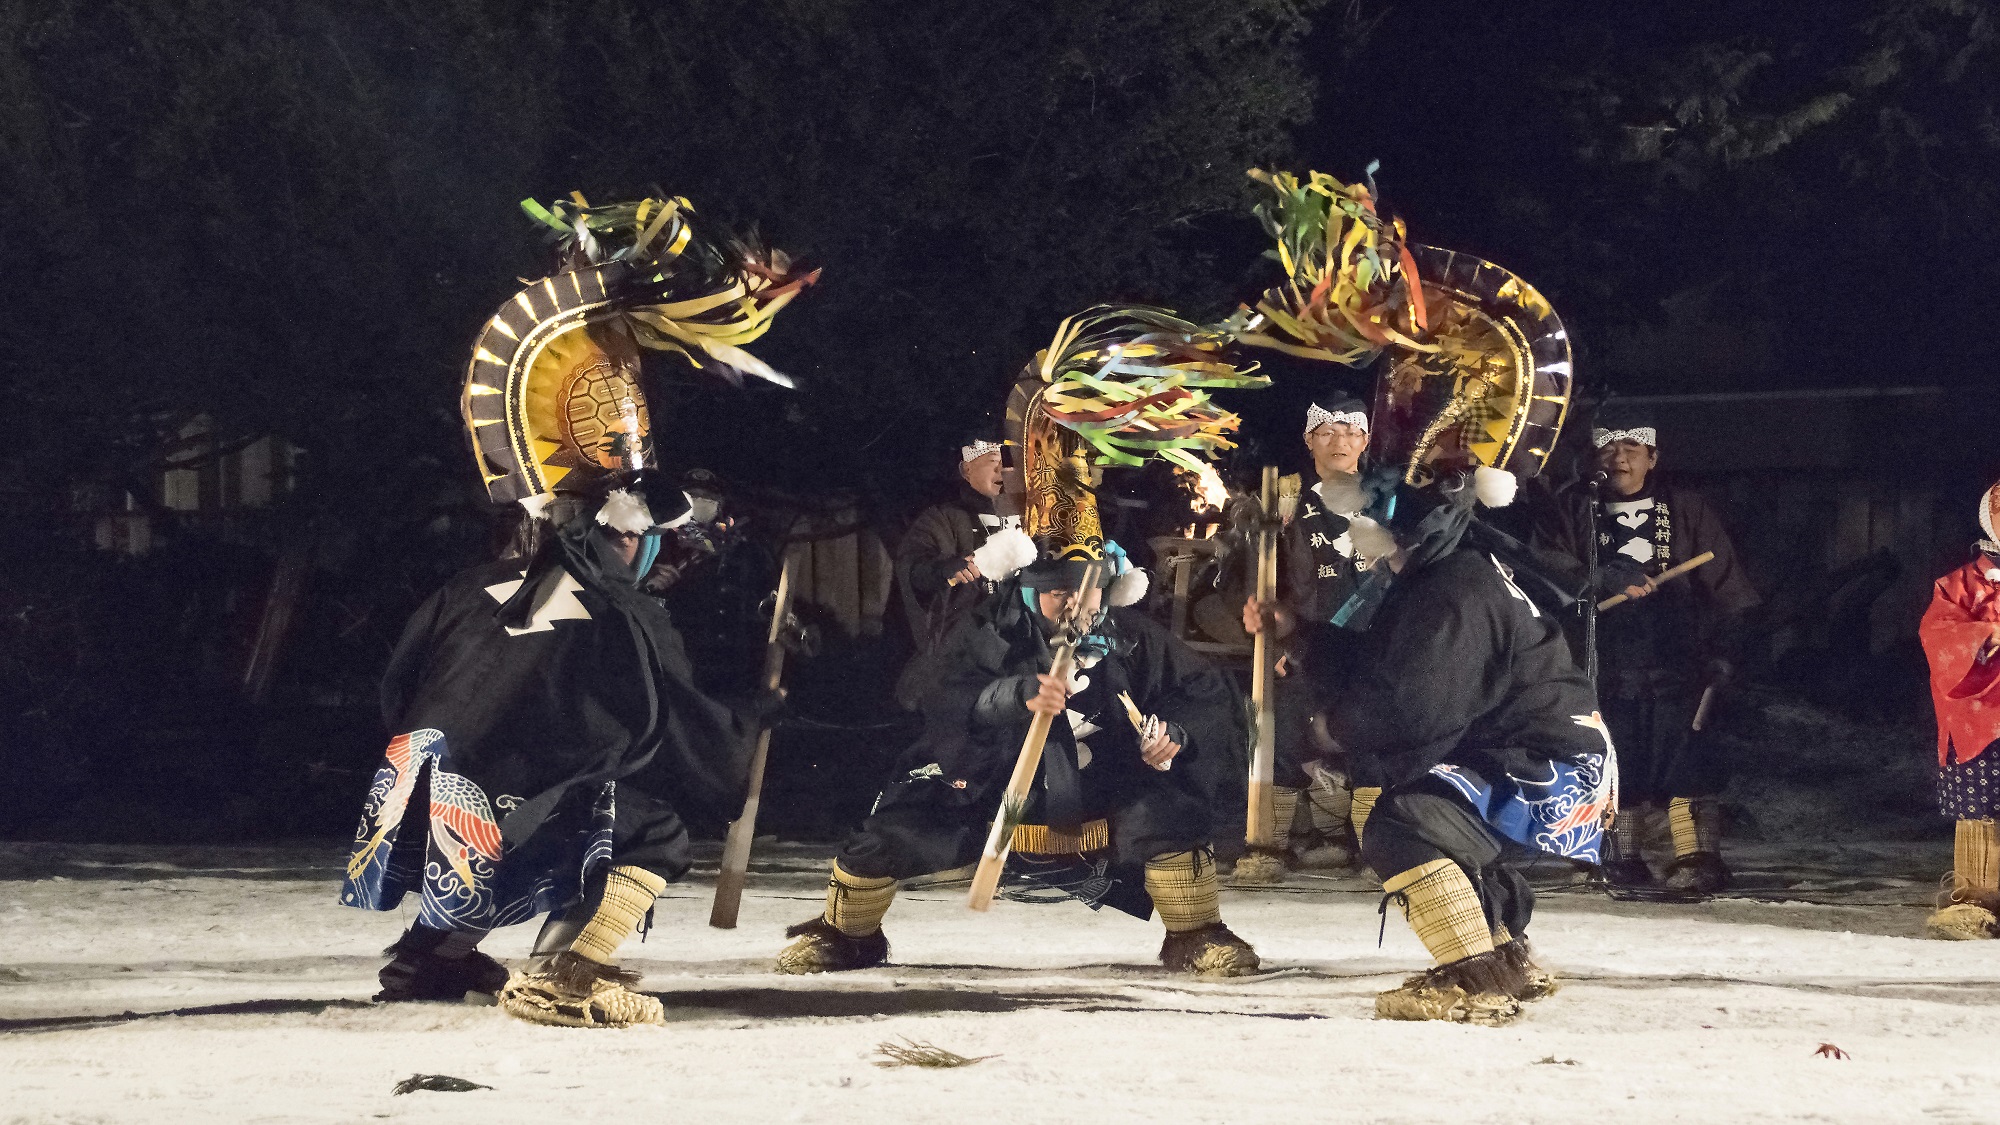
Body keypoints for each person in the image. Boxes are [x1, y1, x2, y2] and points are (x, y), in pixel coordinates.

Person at [340, 192, 808, 1027]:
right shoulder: (614, 606)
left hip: (421, 798)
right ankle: (567, 973)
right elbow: (673, 723)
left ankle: (430, 954)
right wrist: (751, 716)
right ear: (627, 529)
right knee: (646, 824)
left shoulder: (474, 587)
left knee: (541, 803)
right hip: (501, 815)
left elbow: (398, 688)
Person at [1234, 167, 1601, 1023]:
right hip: (1531, 757)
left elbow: (1415, 701)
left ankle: (1475, 975)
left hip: (1547, 768)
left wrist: (1333, 730)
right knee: (1432, 795)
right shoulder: (1431, 579)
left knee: (1402, 816)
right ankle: (1509, 955)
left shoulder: (1455, 585)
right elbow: (1374, 653)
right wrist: (1307, 641)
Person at [777, 536, 1260, 976]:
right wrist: (1013, 696)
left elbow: (1202, 692)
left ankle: (1196, 935)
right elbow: (930, 692)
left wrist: (1174, 732)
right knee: (893, 830)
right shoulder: (985, 631)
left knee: (1168, 814)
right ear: (1031, 590)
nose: (1074, 604)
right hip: (993, 782)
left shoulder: (1134, 635)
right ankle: (843, 936)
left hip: (1106, 782)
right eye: (1058, 593)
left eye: (1087, 591)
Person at [1533, 410, 1760, 893]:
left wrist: (1726, 649)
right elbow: (1544, 569)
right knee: (1617, 752)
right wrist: (1597, 579)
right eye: (1610, 449)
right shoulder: (1573, 508)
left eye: (1632, 450)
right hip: (1603, 656)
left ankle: (1695, 857)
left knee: (1685, 752)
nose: (1620, 459)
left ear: (1652, 458)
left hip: (1677, 653)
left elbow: (1726, 586)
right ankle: (1618, 856)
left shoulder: (1687, 509)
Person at [1233, 398, 1374, 883]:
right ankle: (1272, 843)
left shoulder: (1386, 497)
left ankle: (1364, 840)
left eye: (1352, 433)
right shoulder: (1287, 501)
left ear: (1366, 441)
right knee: (1294, 728)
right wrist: (1270, 638)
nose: (1341, 443)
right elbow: (1263, 579)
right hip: (1306, 637)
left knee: (1371, 729)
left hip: (1377, 637)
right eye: (1329, 432)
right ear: (1310, 439)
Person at [1916, 480, 2000, 940]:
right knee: (1982, 805)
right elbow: (1939, 636)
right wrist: (1987, 637)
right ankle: (1976, 901)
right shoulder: (1957, 584)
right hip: (1981, 712)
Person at [893, 433, 1011, 708]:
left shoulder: (1031, 517)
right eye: (993, 461)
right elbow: (913, 567)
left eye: (1007, 463)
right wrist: (944, 569)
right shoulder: (942, 518)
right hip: (964, 652)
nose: (1002, 470)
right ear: (966, 469)